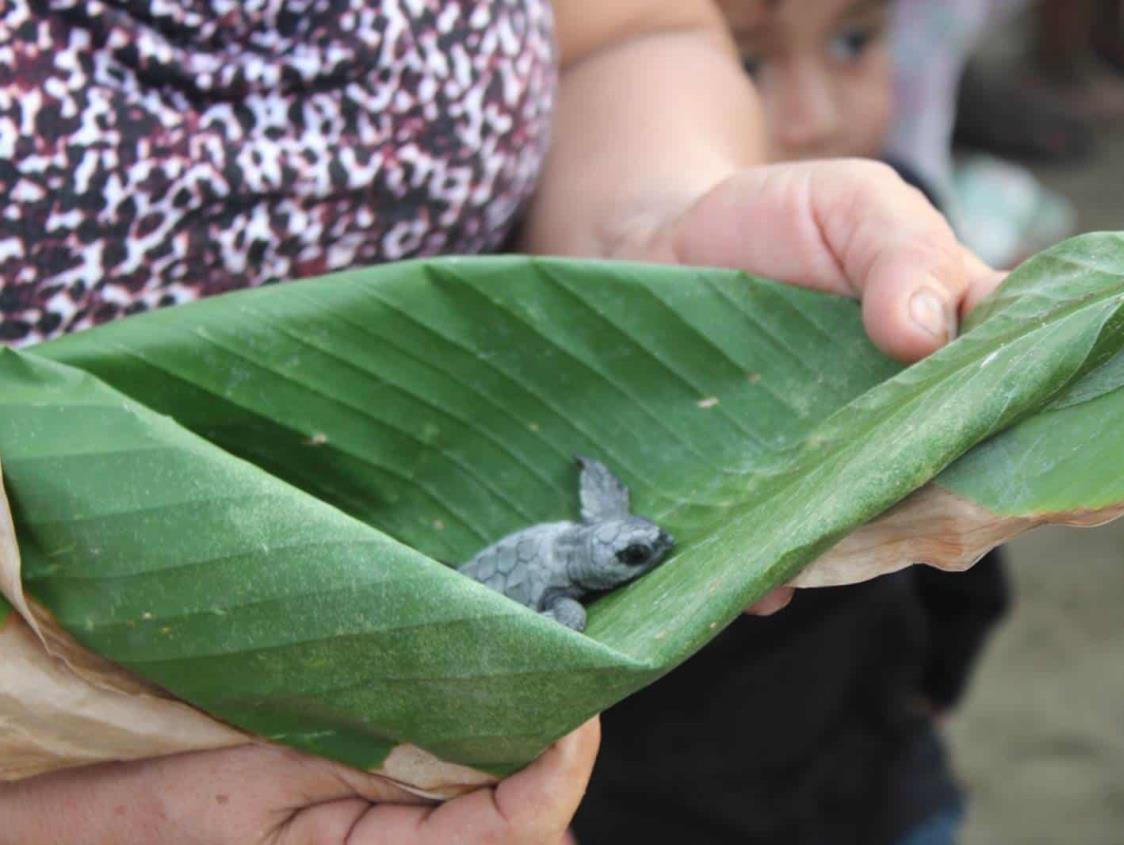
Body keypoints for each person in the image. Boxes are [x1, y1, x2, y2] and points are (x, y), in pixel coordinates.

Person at [0, 1, 1003, 842]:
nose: (644, 550)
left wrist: (646, 238)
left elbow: (625, 28)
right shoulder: (572, 580)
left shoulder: (591, 540)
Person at [571, 3, 1010, 844]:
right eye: (748, 63)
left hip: (870, 758)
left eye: (852, 42)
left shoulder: (898, 227)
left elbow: (978, 507)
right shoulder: (601, 292)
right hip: (654, 798)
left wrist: (938, 675)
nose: (813, 114)